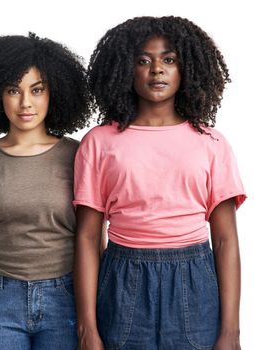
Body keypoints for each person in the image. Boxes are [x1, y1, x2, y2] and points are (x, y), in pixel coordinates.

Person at [73, 16, 245, 350]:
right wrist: (87, 329)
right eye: (143, 60)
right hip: (122, 277)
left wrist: (231, 331)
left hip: (194, 280)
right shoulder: (99, 142)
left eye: (169, 60)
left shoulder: (212, 144)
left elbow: (225, 240)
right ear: (126, 69)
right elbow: (88, 236)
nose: (157, 70)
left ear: (188, 69)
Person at [0, 33, 90, 350]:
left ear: (54, 92)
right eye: (14, 90)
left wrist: (92, 319)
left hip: (67, 298)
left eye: (37, 90)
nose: (25, 103)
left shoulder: (81, 157)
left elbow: (94, 242)